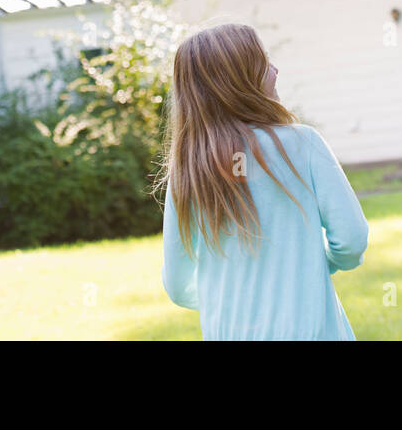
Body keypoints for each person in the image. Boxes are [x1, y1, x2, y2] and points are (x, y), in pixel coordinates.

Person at [156, 22, 369, 340]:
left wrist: (233, 299)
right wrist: (317, 265)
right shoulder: (302, 144)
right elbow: (351, 239)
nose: (275, 71)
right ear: (240, 81)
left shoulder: (187, 170)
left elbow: (178, 285)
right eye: (264, 63)